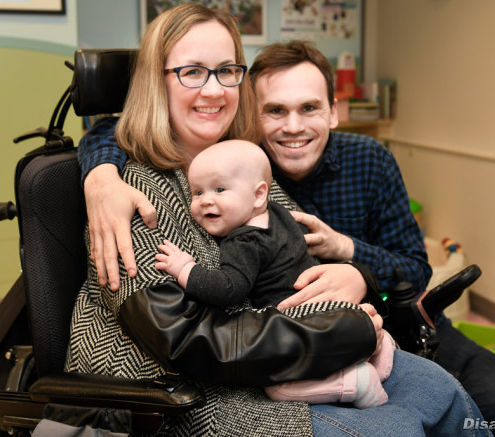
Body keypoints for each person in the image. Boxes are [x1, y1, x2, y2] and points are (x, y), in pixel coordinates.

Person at [78, 33, 495, 435]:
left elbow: (411, 271)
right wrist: (99, 172)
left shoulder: (356, 162)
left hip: (394, 323)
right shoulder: (224, 167)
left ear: (332, 111)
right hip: (310, 343)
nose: (293, 128)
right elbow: (121, 129)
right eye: (275, 111)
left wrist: (354, 266)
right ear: (253, 117)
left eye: (309, 108)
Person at [155, 139, 394, 408]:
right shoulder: (280, 214)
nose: (205, 201)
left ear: (259, 195)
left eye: (219, 189)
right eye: (197, 192)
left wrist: (186, 269)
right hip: (329, 307)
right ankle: (381, 349)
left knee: (277, 388)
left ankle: (354, 382)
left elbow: (228, 289)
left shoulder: (244, 241)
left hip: (299, 320)